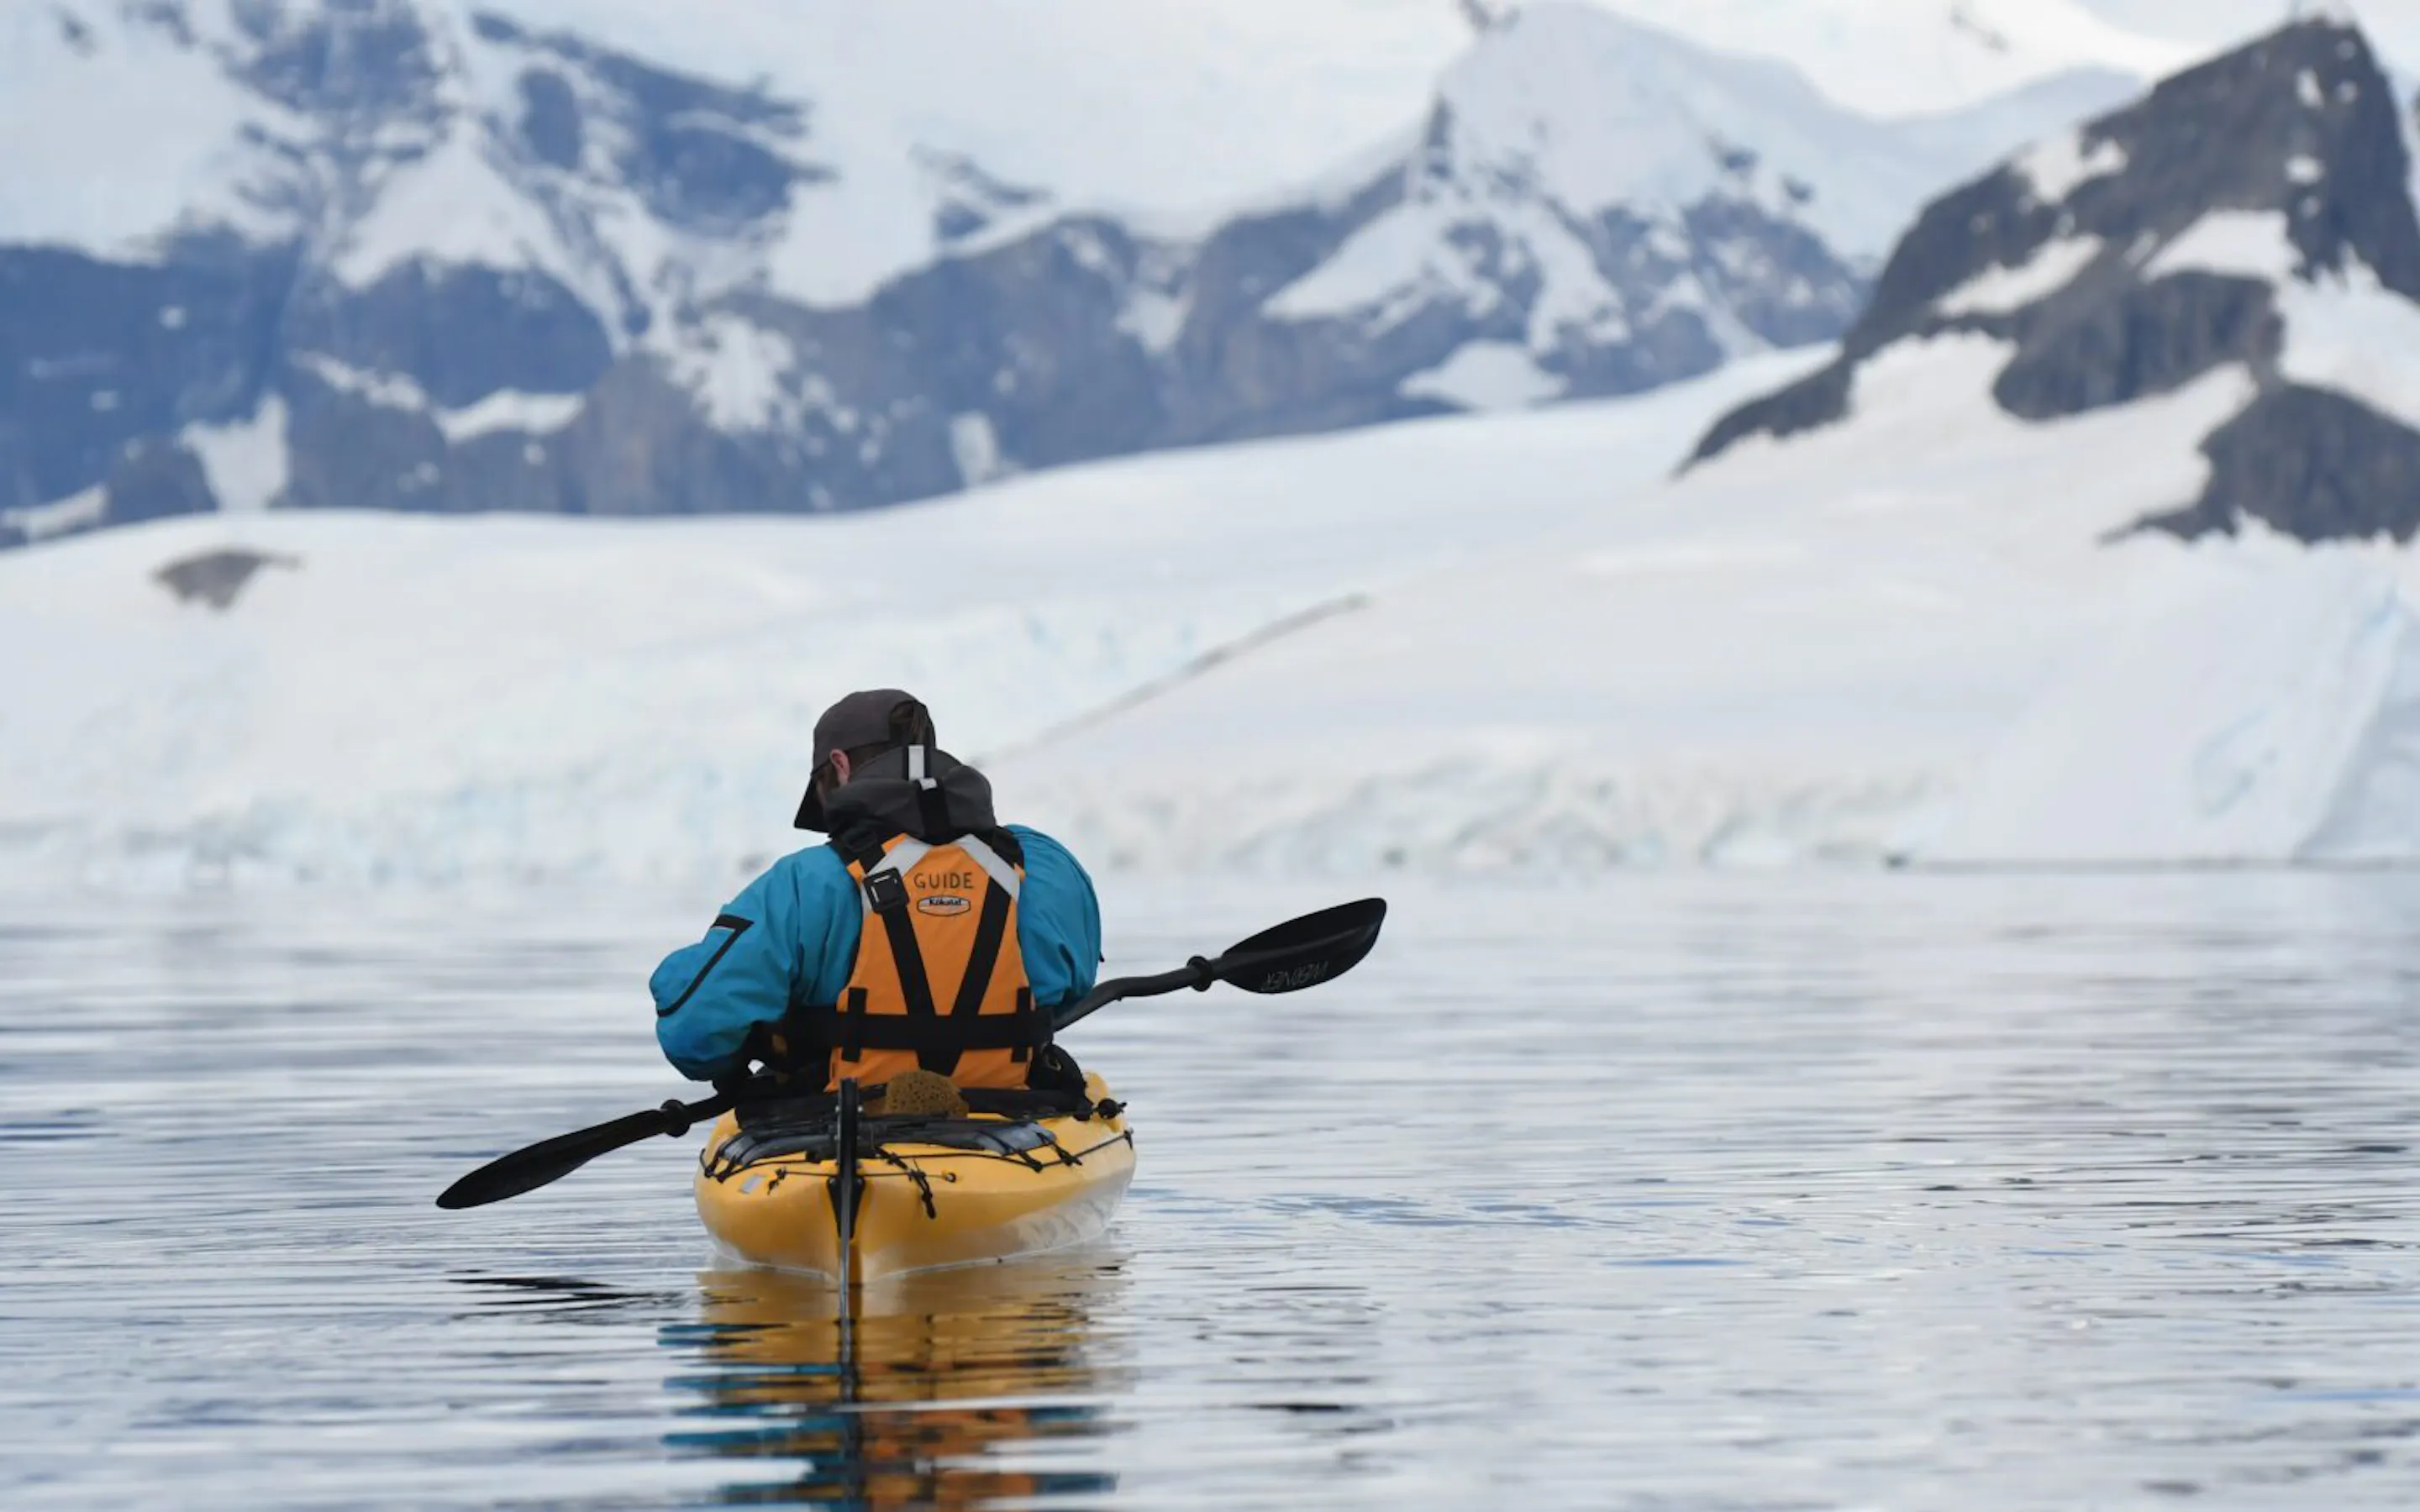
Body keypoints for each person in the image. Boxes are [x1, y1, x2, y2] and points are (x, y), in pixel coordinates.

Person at [650, 690, 1102, 1099]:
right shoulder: (1040, 865)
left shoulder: (804, 883)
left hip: (839, 1128)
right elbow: (1069, 988)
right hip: (1009, 1124)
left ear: (840, 766)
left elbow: (695, 1032)